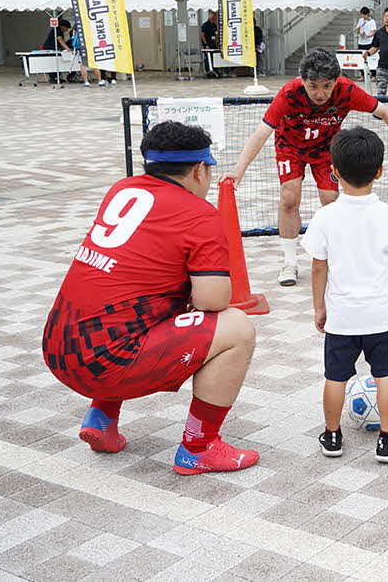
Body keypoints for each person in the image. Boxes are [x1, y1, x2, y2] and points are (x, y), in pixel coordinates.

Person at [42, 121, 260, 475]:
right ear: (200, 169)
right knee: (237, 328)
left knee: (134, 306)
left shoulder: (122, 189)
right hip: (105, 365)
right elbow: (214, 300)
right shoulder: (199, 213)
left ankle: (101, 418)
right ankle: (198, 448)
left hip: (57, 348)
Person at [223, 48, 388, 287]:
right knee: (289, 196)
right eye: (313, 86)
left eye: (327, 86)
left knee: (331, 199)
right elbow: (262, 133)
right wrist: (239, 170)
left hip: (326, 148)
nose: (320, 93)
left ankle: (335, 257)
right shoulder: (289, 94)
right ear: (302, 81)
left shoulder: (347, 90)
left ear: (336, 80)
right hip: (290, 147)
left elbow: (385, 111)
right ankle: (289, 261)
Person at [302, 127, 388, 463]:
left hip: (341, 315)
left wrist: (319, 307)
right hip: (381, 314)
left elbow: (318, 269)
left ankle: (332, 435)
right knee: (386, 375)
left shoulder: (325, 217)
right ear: (380, 172)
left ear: (334, 171)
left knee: (335, 376)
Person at [355, 7, 377, 78]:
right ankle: (362, 75)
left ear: (367, 14)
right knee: (361, 58)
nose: (362, 16)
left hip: (369, 42)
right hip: (361, 42)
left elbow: (373, 32)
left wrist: (367, 36)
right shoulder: (360, 20)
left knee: (371, 58)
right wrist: (359, 32)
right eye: (361, 15)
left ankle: (373, 75)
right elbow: (357, 30)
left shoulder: (372, 21)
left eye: (364, 15)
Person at [200, 10, 221, 78]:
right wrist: (206, 44)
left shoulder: (214, 25)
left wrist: (217, 42)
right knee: (208, 58)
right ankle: (208, 72)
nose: (216, 18)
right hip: (208, 45)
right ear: (211, 16)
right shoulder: (205, 25)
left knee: (215, 58)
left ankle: (215, 71)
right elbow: (202, 35)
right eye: (215, 16)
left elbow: (216, 34)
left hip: (214, 44)